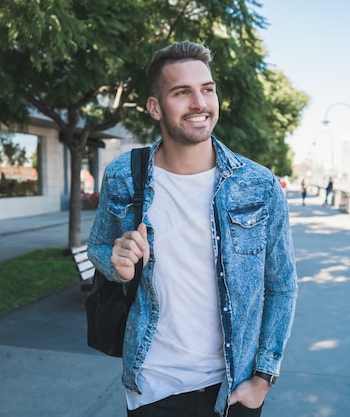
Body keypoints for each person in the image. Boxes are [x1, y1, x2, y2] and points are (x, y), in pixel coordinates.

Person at [87, 41, 298, 417]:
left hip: (233, 389)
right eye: (182, 92)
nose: (199, 103)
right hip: (152, 386)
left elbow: (281, 284)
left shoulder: (259, 184)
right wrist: (116, 263)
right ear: (155, 107)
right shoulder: (123, 175)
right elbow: (100, 246)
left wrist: (263, 378)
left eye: (207, 89)